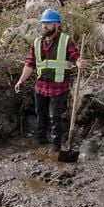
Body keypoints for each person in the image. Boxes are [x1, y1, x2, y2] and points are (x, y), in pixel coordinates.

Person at [15, 9, 85, 152]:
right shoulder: (37, 42)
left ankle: (56, 145)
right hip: (40, 87)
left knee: (55, 116)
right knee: (40, 114)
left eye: (48, 23)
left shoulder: (65, 40)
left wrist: (79, 62)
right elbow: (30, 63)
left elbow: (75, 56)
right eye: (43, 23)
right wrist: (21, 80)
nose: (44, 26)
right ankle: (40, 140)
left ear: (57, 24)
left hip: (58, 87)